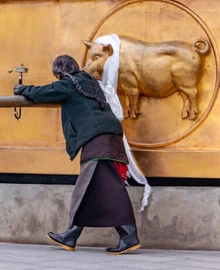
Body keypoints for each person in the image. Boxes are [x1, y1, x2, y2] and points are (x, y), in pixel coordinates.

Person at [13, 55, 141, 255]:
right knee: (97, 187)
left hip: (97, 137)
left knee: (98, 186)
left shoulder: (68, 84)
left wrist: (23, 90)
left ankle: (128, 234)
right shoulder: (89, 81)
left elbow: (46, 92)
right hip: (110, 134)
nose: (58, 80)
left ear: (60, 73)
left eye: (57, 76)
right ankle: (72, 235)